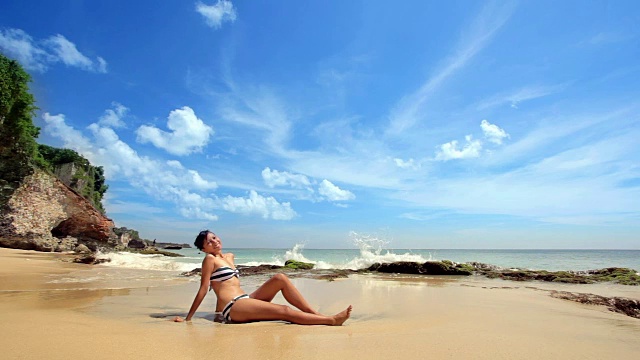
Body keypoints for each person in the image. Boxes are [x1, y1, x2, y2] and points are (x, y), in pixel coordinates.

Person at [173, 230, 352, 325]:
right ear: (204, 249)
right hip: (233, 307)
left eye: (214, 237)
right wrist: (188, 318)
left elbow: (228, 283)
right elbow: (204, 288)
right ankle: (330, 321)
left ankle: (315, 314)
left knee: (280, 277)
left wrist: (216, 314)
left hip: (244, 300)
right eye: (209, 242)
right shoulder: (209, 260)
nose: (214, 242)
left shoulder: (230, 256)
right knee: (284, 311)